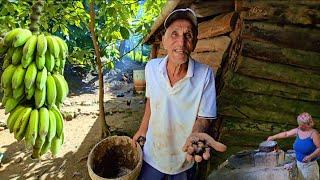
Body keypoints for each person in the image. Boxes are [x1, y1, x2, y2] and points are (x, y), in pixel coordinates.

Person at [132, 8, 226, 180]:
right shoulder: (151, 68)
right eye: (174, 34)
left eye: (188, 35)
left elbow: (204, 117)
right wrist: (142, 130)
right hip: (152, 154)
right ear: (164, 40)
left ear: (195, 42)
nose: (181, 43)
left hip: (184, 158)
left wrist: (196, 134)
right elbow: (151, 100)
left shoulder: (205, 75)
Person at [267, 112, 320, 180]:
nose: (299, 126)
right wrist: (273, 137)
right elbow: (286, 134)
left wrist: (310, 157)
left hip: (310, 167)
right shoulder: (298, 130)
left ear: (308, 124)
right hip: (299, 164)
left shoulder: (314, 134)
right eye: (299, 124)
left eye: (301, 125)